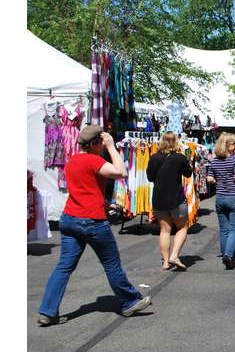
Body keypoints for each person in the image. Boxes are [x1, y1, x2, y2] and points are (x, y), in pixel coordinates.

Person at [37, 125, 151, 326]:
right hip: (91, 221)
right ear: (97, 143)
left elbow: (85, 188)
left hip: (70, 218)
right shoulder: (94, 160)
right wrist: (112, 147)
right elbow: (120, 172)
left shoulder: (73, 161)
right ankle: (130, 301)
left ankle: (47, 311)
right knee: (111, 265)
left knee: (64, 267)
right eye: (102, 143)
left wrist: (105, 203)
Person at [147, 131, 193, 271]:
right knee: (182, 227)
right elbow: (188, 173)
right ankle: (174, 255)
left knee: (165, 230)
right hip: (176, 198)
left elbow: (150, 177)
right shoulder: (179, 158)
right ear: (176, 142)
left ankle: (166, 262)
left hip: (159, 198)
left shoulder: (154, 158)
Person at [207, 132, 235, 270]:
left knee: (224, 229)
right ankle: (228, 255)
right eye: (234, 143)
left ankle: (225, 253)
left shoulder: (214, 160)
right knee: (234, 228)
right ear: (227, 145)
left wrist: (219, 180)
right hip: (234, 197)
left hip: (220, 198)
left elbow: (209, 179)